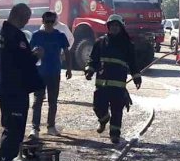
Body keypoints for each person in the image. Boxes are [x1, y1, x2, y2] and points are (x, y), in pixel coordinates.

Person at [0, 4, 45, 161]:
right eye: (27, 18)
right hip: (15, 91)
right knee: (13, 133)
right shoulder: (15, 36)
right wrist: (36, 55)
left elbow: (11, 61)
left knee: (10, 129)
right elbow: (24, 63)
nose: (27, 22)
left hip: (4, 89)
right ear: (20, 16)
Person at [85, 14, 141, 144]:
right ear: (108, 27)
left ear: (121, 27)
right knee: (98, 107)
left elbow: (133, 63)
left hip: (118, 84)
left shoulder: (127, 44)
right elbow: (93, 59)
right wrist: (89, 70)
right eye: (112, 25)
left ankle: (115, 134)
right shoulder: (100, 42)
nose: (114, 28)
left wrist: (136, 77)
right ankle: (104, 119)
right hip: (101, 84)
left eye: (117, 26)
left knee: (117, 110)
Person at [29, 11, 72, 138]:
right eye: (46, 21)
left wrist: (69, 69)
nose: (49, 24)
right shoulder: (36, 35)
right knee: (37, 101)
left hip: (54, 72)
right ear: (42, 21)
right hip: (40, 73)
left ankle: (51, 126)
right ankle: (34, 128)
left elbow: (67, 52)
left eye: (51, 21)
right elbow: (29, 53)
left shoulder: (60, 36)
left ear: (55, 22)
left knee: (53, 101)